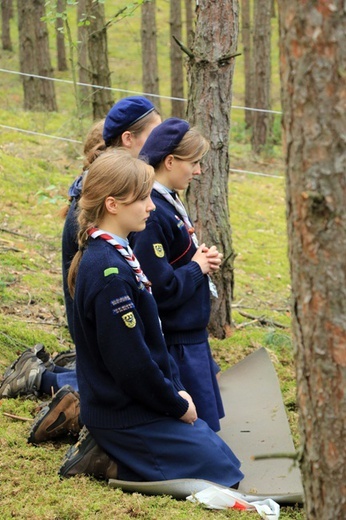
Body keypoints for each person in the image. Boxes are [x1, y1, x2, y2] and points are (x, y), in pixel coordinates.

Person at [57, 149, 243, 488]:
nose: (152, 205)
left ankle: (121, 453)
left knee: (224, 456)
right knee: (225, 475)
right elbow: (131, 365)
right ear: (113, 204)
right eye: (142, 198)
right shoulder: (108, 273)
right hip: (123, 414)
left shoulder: (117, 253)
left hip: (141, 401)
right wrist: (174, 404)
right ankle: (106, 458)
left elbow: (150, 341)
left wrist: (178, 391)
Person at [0, 97, 161, 437]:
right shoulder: (102, 194)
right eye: (154, 133)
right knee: (123, 375)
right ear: (129, 140)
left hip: (110, 320)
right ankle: (47, 380)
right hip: (97, 324)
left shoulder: (126, 186)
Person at [130, 117, 224, 432]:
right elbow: (160, 288)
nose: (198, 170)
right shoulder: (153, 215)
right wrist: (197, 268)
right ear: (170, 161)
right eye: (194, 162)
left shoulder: (169, 202)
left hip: (190, 340)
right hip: (176, 344)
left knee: (206, 431)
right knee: (196, 430)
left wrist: (200, 260)